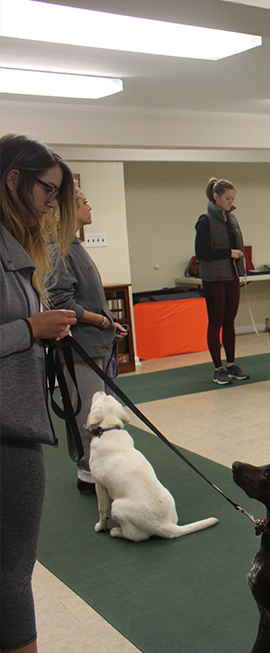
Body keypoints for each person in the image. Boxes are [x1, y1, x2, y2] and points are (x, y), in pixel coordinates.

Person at [1, 133, 78, 653]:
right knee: (11, 570)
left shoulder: (15, 248)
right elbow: (19, 328)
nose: (53, 203)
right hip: (7, 432)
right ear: (13, 181)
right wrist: (32, 329)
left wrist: (40, 330)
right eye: (47, 190)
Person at [47, 187, 128, 494]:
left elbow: (87, 296)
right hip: (79, 346)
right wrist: (100, 321)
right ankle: (88, 472)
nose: (90, 206)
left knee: (102, 409)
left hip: (96, 342)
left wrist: (109, 324)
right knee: (88, 413)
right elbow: (62, 302)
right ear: (69, 209)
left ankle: (102, 469)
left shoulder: (74, 244)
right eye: (84, 202)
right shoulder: (59, 249)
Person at [194, 177, 250, 385]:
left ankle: (232, 364)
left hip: (231, 275)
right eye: (227, 198)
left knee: (229, 320)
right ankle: (218, 368)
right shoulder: (205, 221)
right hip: (213, 277)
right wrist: (229, 253)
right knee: (216, 321)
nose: (230, 201)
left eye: (233, 198)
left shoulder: (231, 219)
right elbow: (201, 252)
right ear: (215, 197)